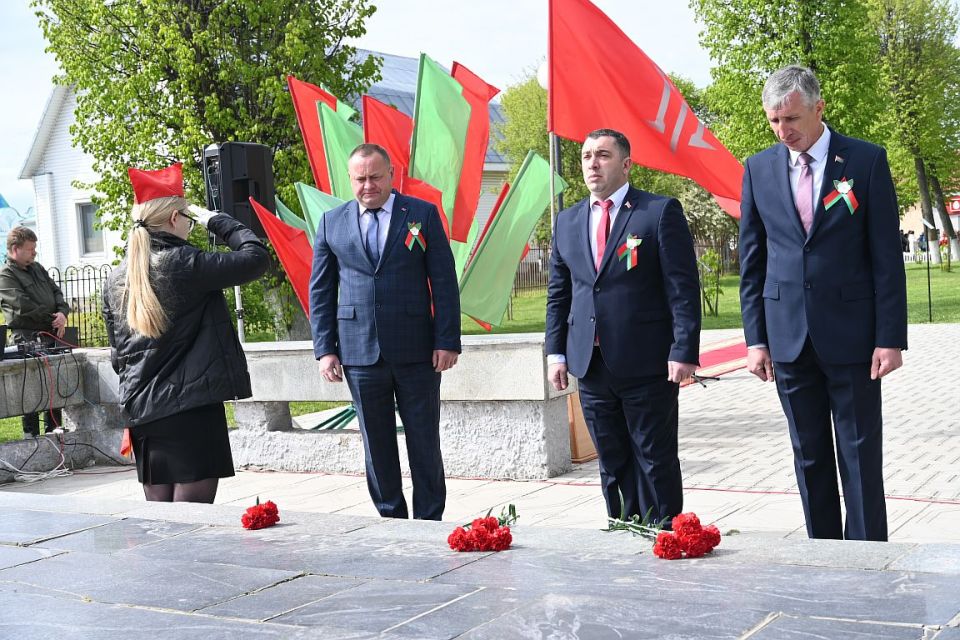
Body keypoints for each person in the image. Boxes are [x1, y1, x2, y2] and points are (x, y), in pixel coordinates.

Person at [739, 65, 908, 541]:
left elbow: (885, 257)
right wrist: (756, 340)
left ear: (819, 108)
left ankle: (867, 556)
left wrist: (890, 338)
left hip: (853, 337)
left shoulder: (866, 161)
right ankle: (823, 555)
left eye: (791, 118)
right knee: (808, 454)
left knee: (859, 453)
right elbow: (752, 261)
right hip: (788, 339)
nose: (783, 131)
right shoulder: (758, 169)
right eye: (774, 121)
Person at [545, 128, 701, 526]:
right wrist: (556, 353)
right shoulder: (568, 221)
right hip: (591, 363)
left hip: (647, 361)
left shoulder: (657, 212)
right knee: (611, 459)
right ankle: (624, 528)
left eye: (603, 155)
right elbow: (559, 294)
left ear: (626, 164)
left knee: (654, 457)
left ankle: (666, 535)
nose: (593, 164)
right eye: (586, 156)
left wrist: (684, 348)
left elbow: (682, 289)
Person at [309, 143, 461, 520]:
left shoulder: (421, 214)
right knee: (376, 446)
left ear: (391, 174)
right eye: (360, 179)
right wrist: (325, 349)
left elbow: (443, 281)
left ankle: (429, 519)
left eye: (375, 177)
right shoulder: (331, 222)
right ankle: (390, 519)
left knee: (424, 441)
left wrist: (447, 340)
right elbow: (321, 290)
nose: (368, 186)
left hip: (417, 351)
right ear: (350, 179)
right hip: (359, 353)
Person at [102, 162, 269, 503]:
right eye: (189, 220)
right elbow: (256, 258)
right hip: (191, 408)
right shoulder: (185, 263)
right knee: (191, 521)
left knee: (162, 521)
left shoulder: (116, 277)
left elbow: (119, 356)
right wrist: (218, 220)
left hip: (144, 412)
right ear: (175, 218)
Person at [0, 226, 70, 438]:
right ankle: (31, 434)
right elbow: (23, 306)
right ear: (15, 249)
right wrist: (53, 318)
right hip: (26, 336)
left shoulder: (38, 268)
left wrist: (62, 312)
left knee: (53, 381)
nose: (34, 252)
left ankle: (54, 428)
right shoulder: (6, 275)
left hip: (50, 333)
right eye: (30, 249)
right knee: (30, 385)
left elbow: (56, 291)